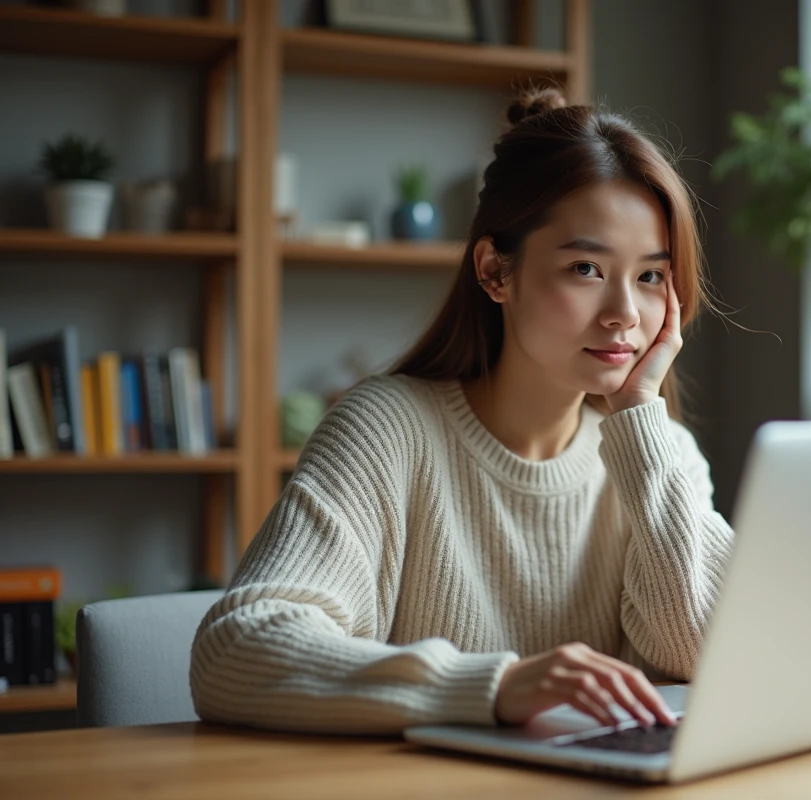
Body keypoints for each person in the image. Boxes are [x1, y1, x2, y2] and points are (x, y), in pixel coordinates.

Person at [189, 86, 735, 735]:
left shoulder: (657, 453)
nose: (624, 313)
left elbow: (709, 657)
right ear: (495, 271)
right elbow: (234, 651)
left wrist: (640, 419)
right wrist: (493, 685)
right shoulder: (388, 430)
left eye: (650, 277)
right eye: (586, 268)